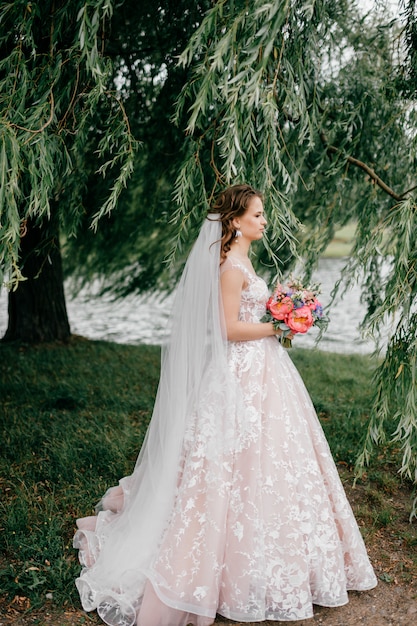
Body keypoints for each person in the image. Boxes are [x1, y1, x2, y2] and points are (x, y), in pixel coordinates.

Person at [74, 184, 377, 626]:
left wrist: (283, 315)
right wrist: (278, 325)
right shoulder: (231, 268)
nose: (264, 221)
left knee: (270, 458)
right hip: (241, 373)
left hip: (262, 371)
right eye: (257, 215)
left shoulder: (242, 260)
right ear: (235, 221)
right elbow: (229, 329)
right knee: (234, 458)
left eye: (262, 215)